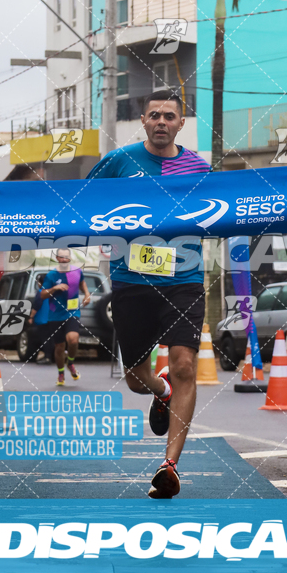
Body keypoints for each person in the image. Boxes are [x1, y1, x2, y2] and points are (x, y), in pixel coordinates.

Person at [86, 89, 210, 499]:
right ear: (143, 120)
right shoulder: (119, 162)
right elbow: (82, 202)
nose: (161, 121)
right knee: (137, 379)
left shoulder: (197, 167)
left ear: (180, 123)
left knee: (184, 365)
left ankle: (169, 465)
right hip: (132, 280)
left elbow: (221, 210)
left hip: (184, 280)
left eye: (169, 116)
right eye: (153, 114)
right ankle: (161, 392)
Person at [39, 249, 91, 385]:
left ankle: (71, 363)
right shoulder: (51, 275)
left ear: (70, 258)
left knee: (73, 340)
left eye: (66, 257)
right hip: (55, 315)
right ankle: (61, 373)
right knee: (60, 346)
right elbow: (43, 294)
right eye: (61, 257)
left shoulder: (77, 271)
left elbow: (82, 283)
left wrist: (87, 294)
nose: (64, 259)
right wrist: (55, 288)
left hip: (72, 312)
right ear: (57, 258)